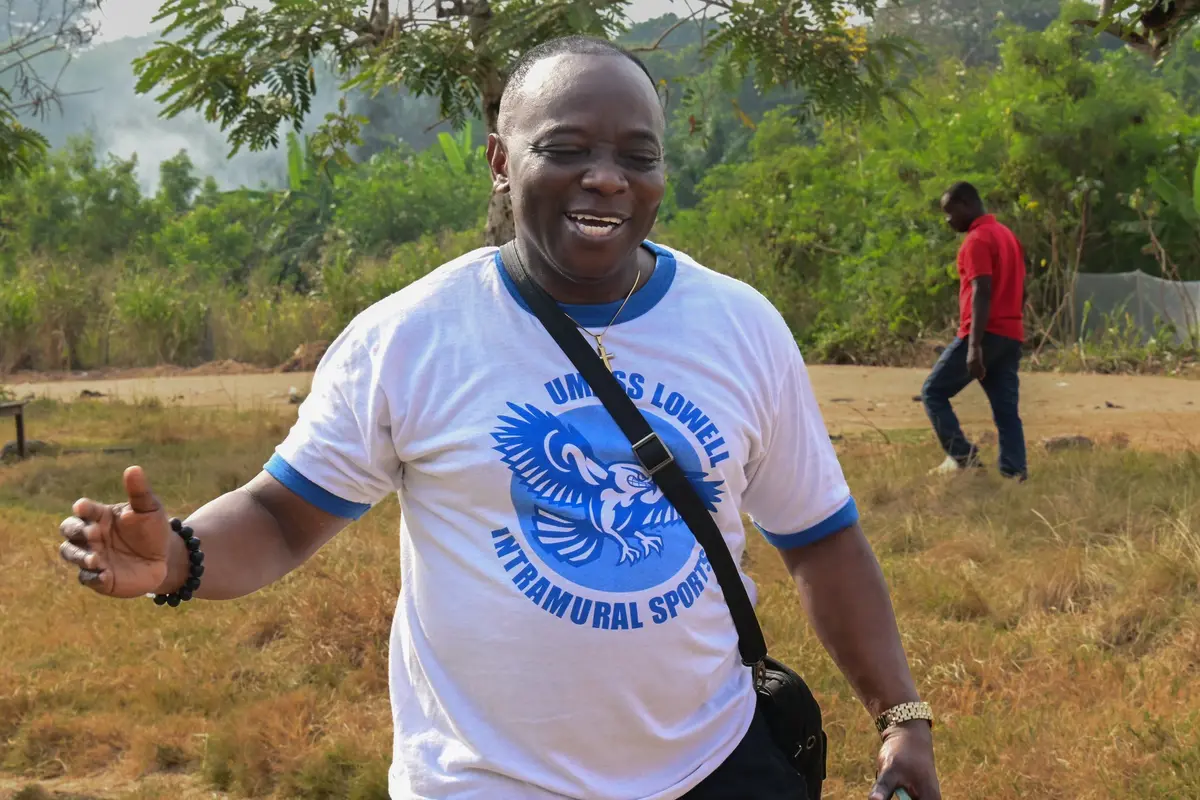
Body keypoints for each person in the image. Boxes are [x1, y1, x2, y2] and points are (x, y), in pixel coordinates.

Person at [57, 36, 940, 800]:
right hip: (479, 779)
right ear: (499, 161)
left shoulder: (739, 326)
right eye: (566, 147)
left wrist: (900, 714)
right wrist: (178, 556)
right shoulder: (413, 335)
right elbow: (284, 517)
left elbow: (820, 539)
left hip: (710, 767)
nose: (607, 177)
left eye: (639, 155)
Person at [923, 181, 1028, 481]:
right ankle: (1015, 473)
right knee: (1006, 411)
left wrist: (974, 346)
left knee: (933, 392)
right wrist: (1013, 319)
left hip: (982, 334)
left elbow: (982, 289)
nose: (948, 220)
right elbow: (1023, 290)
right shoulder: (1007, 236)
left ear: (967, 204)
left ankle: (962, 458)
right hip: (1010, 334)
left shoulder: (977, 240)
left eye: (950, 211)